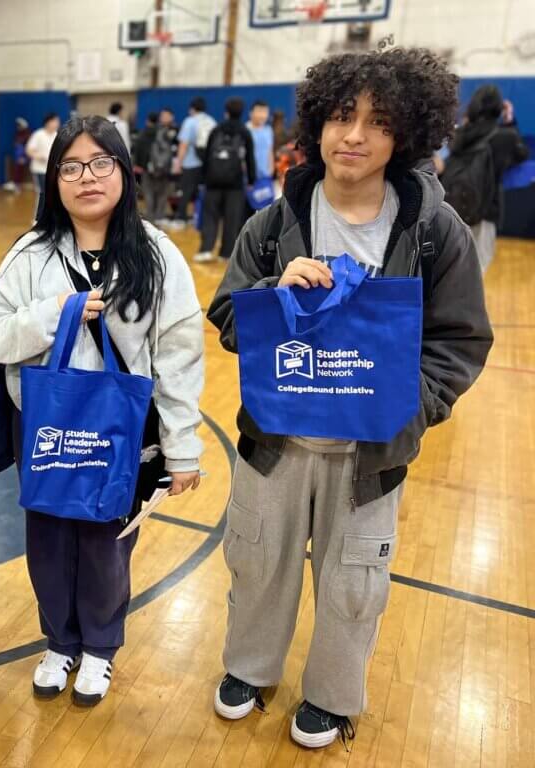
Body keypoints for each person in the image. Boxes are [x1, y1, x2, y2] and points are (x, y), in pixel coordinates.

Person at [206, 48, 492, 750]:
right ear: (317, 124)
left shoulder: (431, 231)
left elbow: (460, 340)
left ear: (406, 136)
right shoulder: (272, 226)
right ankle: (249, 666)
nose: (354, 135)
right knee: (257, 557)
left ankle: (333, 696)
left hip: (371, 452)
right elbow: (229, 317)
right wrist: (273, 296)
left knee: (354, 577)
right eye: (341, 116)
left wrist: (406, 405)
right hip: (276, 443)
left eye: (377, 121)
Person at [0, 115, 205, 707]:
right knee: (49, 538)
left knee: (107, 543)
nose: (87, 178)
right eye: (71, 166)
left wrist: (182, 448)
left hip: (122, 433)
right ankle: (59, 642)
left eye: (101, 163)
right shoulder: (30, 253)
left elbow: (179, 356)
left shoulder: (156, 255)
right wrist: (51, 314)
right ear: (53, 179)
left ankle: (100, 649)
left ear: (125, 172)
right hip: (47, 427)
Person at [447, 85, 529, 273]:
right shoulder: (504, 136)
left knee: (454, 266)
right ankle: (469, 303)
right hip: (484, 210)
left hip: (453, 206)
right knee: (479, 268)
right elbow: (521, 154)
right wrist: (509, 121)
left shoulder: (461, 134)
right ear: (499, 108)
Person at [195, 97, 257, 263]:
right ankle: (226, 253)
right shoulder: (245, 132)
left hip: (212, 181)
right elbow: (250, 158)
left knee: (210, 216)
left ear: (226, 112)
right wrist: (251, 180)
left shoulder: (216, 130)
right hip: (235, 183)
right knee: (232, 218)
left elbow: (207, 156)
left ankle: (206, 250)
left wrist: (203, 179)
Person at [175, 97, 216, 226]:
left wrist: (178, 163)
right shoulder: (211, 121)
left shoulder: (190, 121)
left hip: (190, 163)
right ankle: (199, 217)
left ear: (192, 109)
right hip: (207, 164)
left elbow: (183, 144)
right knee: (202, 192)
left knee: (185, 192)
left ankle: (181, 218)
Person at [144, 106, 177, 226]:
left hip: (166, 168)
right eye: (162, 116)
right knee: (150, 193)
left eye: (166, 115)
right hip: (152, 167)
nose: (163, 118)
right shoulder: (155, 130)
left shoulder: (175, 130)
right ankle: (150, 220)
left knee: (163, 194)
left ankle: (158, 218)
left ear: (171, 116)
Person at [26, 113, 60, 220]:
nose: (57, 124)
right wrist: (39, 156)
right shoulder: (38, 134)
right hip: (39, 170)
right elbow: (29, 150)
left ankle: (50, 218)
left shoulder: (56, 135)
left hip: (52, 170)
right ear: (48, 122)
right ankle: (37, 219)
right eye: (55, 121)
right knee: (42, 193)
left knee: (53, 194)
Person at [247, 100, 275, 181]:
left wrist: (271, 170)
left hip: (266, 176)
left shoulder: (268, 130)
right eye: (259, 112)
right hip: (250, 178)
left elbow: (270, 151)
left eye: (265, 112)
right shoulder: (246, 130)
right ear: (251, 113)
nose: (262, 115)